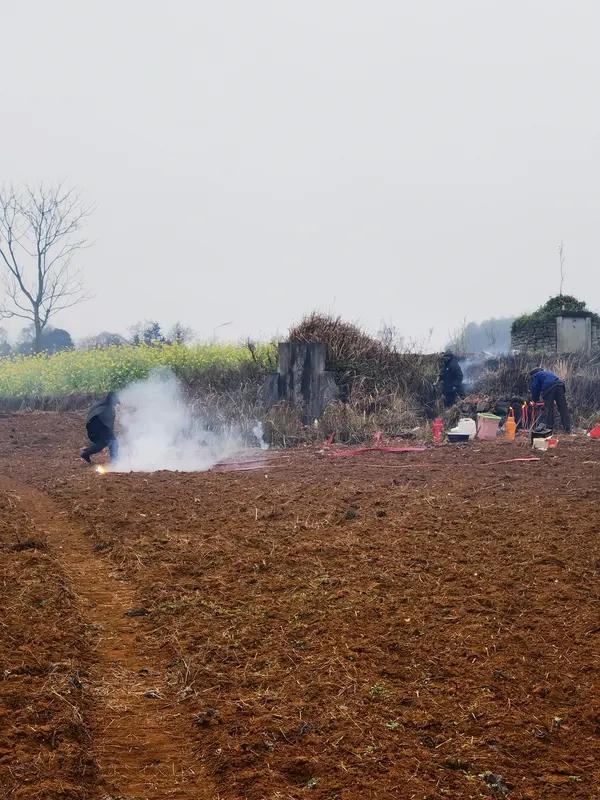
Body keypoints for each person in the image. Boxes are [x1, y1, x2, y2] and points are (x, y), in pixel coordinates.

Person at [81, 391, 119, 463]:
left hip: (95, 426)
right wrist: (110, 434)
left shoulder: (103, 404)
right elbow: (108, 424)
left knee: (103, 443)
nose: (116, 404)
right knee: (113, 442)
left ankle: (86, 453)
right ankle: (115, 462)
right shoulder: (108, 409)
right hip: (100, 426)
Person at [529, 368, 571, 433]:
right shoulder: (548, 372)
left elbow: (535, 388)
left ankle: (549, 428)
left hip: (549, 387)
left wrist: (535, 399)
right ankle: (568, 428)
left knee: (549, 409)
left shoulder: (536, 376)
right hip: (560, 386)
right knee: (563, 408)